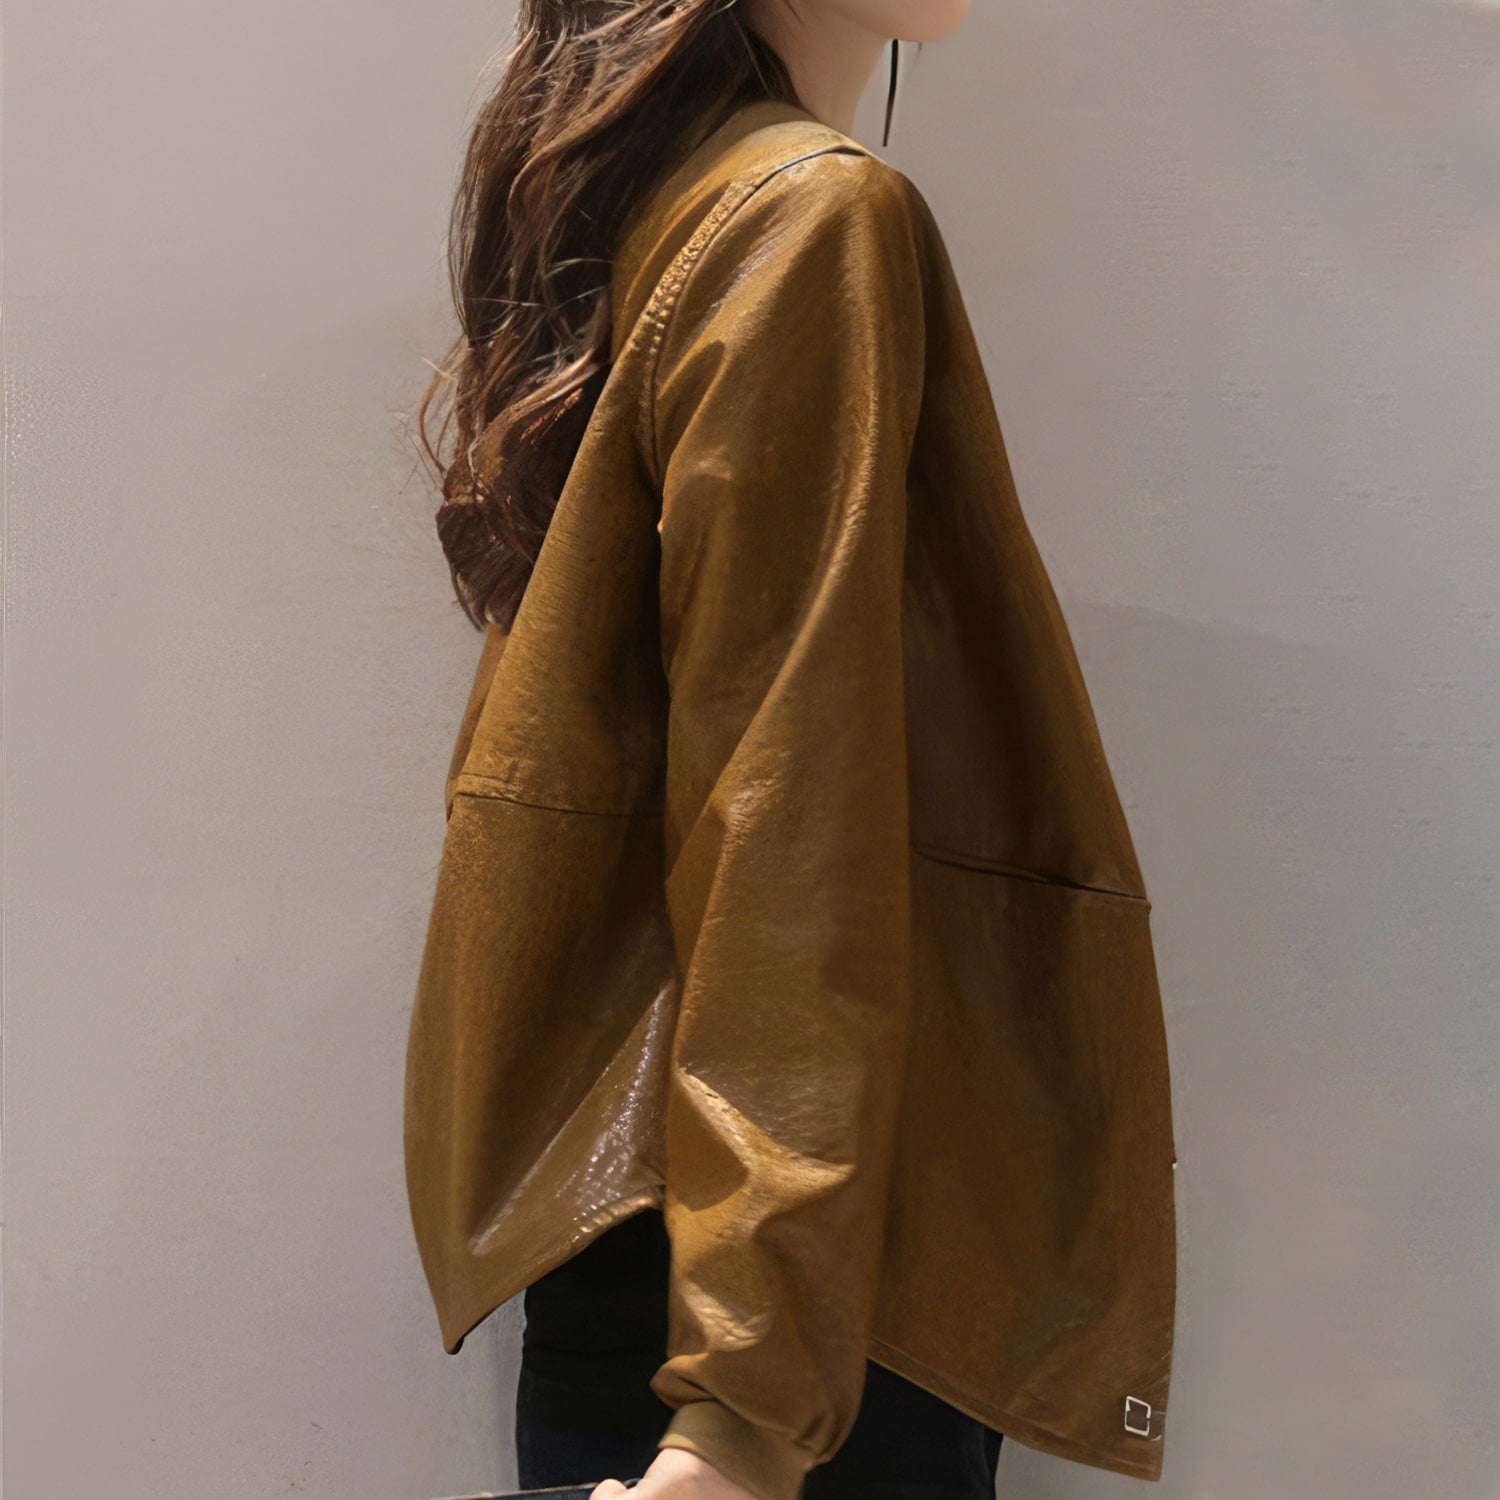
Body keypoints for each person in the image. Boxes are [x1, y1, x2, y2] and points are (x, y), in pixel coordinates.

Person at [403, 2, 1179, 1499]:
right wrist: (745, 1422)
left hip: (681, 1258)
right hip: (790, 1318)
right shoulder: (807, 218)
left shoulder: (665, 198)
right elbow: (787, 827)